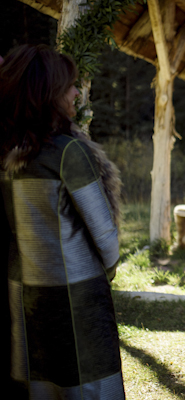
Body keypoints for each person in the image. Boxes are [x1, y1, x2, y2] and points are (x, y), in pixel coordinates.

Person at [0, 44, 125, 399]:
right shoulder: (70, 151)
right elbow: (104, 234)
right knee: (88, 386)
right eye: (70, 85)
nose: (75, 93)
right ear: (50, 92)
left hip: (22, 289)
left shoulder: (8, 150)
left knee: (39, 385)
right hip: (76, 291)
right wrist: (110, 267)